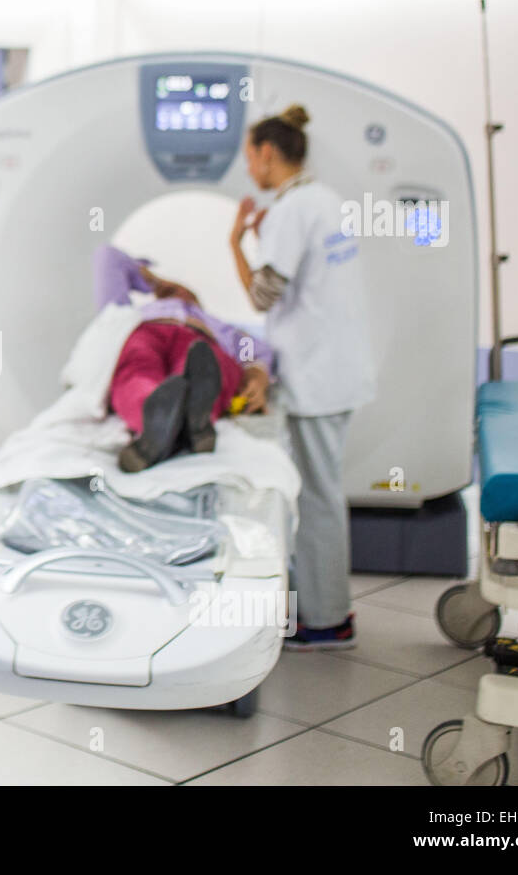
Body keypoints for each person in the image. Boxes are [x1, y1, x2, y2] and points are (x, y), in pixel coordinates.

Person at [228, 103, 375, 651]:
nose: (248, 170)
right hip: (336, 368)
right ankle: (322, 608)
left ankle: (326, 620)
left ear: (268, 153)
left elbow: (261, 294)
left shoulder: (292, 209)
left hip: (318, 376)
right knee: (322, 494)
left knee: (316, 498)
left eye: (249, 157)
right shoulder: (324, 200)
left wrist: (235, 242)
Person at [94, 244, 274, 473]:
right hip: (145, 332)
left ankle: (188, 419)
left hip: (201, 339)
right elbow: (107, 257)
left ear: (197, 299)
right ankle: (162, 422)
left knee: (208, 364)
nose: (177, 292)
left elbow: (253, 349)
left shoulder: (220, 327)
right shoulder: (131, 314)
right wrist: (155, 282)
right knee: (136, 369)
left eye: (183, 290)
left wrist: (258, 373)